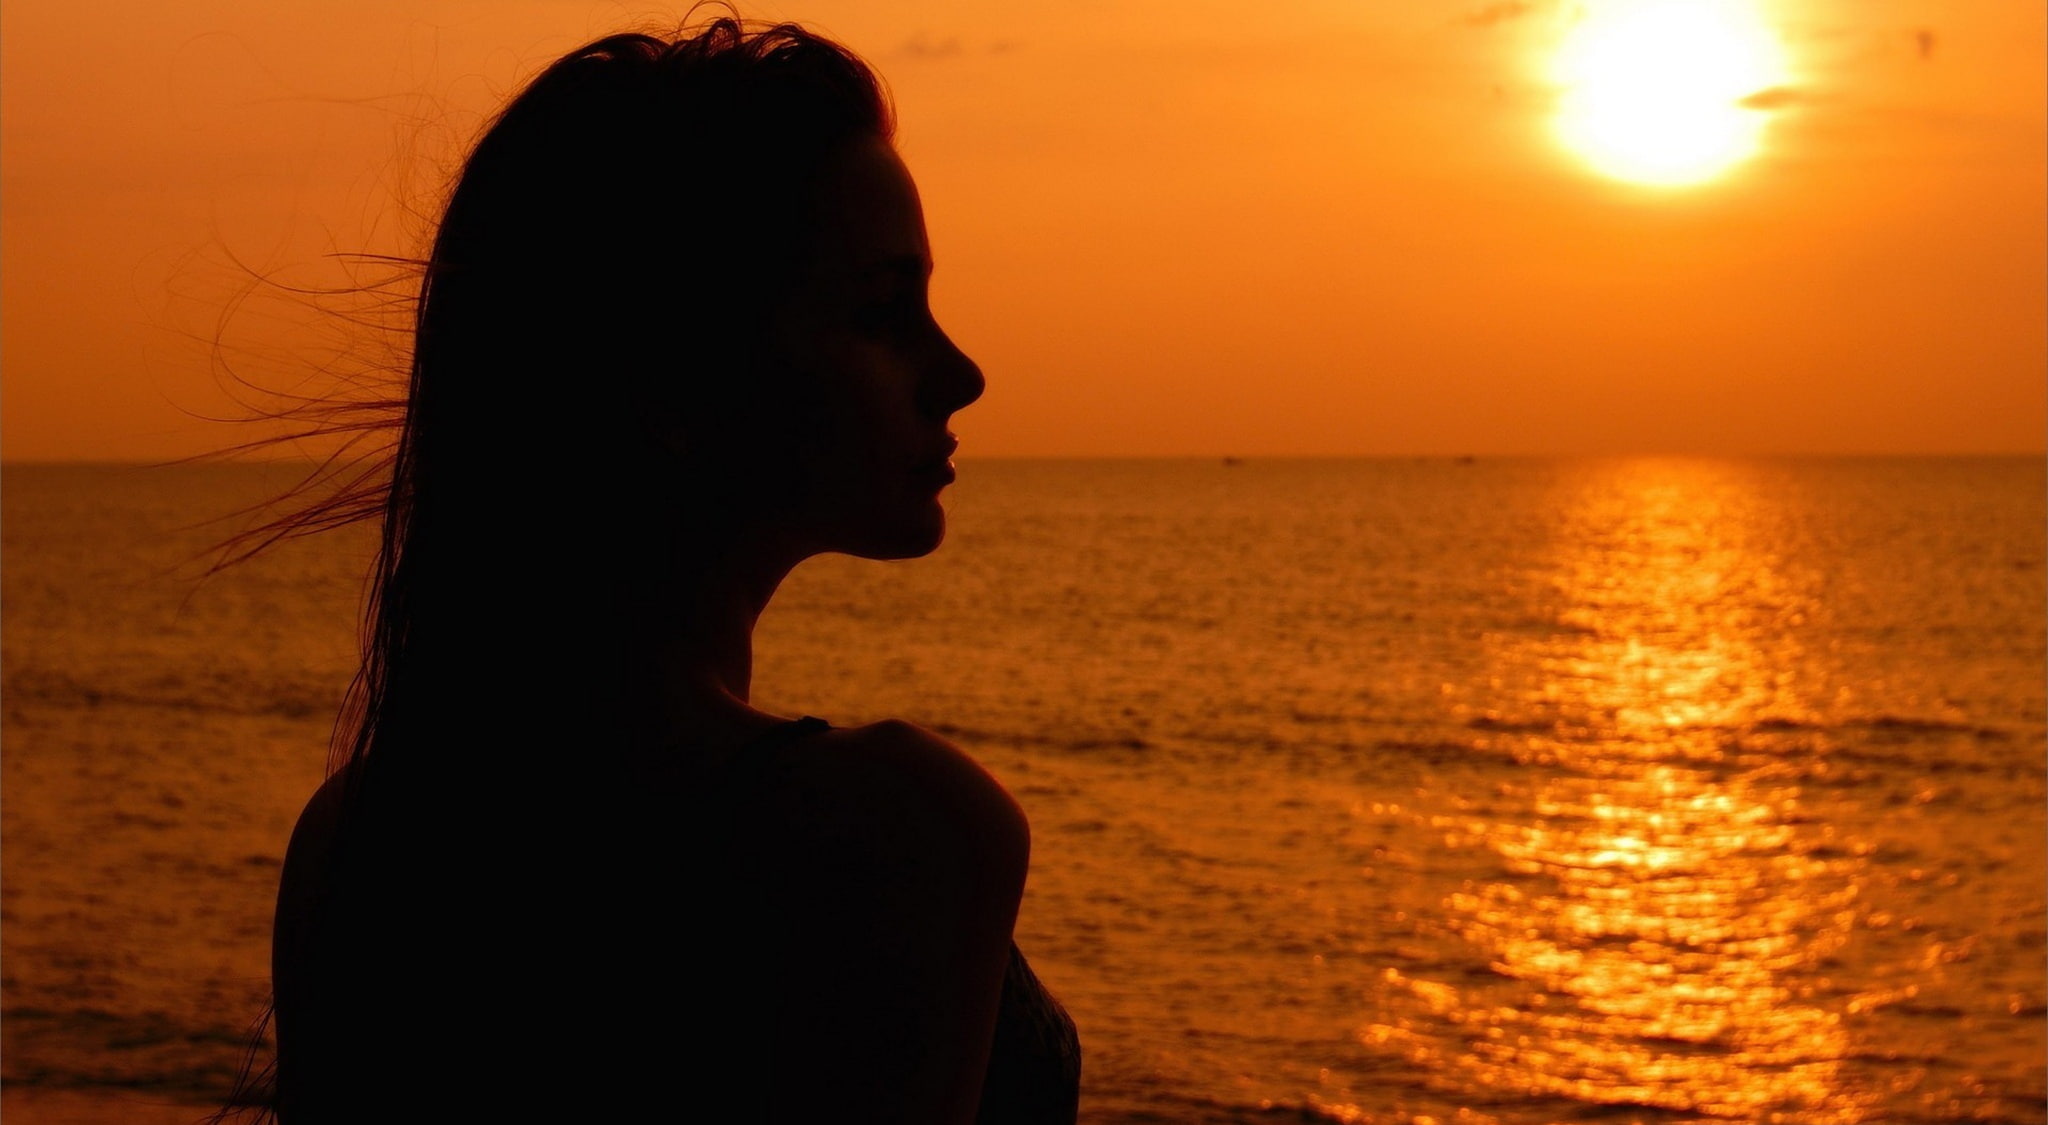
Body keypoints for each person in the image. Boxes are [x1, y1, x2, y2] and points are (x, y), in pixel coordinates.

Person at [238, 16, 1080, 1123]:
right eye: (880, 312)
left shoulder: (362, 842)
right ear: (678, 379)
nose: (959, 373)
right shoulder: (891, 831)